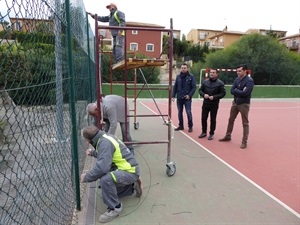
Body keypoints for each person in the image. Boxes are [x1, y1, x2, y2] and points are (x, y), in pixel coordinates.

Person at [80, 125, 142, 223]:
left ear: (89, 140)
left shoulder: (104, 143)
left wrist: (86, 177)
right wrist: (92, 153)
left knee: (105, 179)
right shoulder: (104, 137)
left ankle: (115, 207)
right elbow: (105, 153)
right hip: (128, 169)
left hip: (129, 172)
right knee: (107, 184)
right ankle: (131, 186)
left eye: (87, 140)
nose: (86, 142)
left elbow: (102, 168)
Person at [219, 64, 254, 149]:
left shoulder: (249, 81)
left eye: (240, 71)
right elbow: (231, 90)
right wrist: (239, 91)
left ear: (245, 71)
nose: (238, 73)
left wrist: (236, 90)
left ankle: (244, 142)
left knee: (245, 123)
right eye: (237, 71)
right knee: (231, 120)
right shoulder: (237, 79)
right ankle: (228, 135)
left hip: (244, 104)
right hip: (235, 103)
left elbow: (245, 93)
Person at [198, 68, 226, 140]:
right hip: (205, 103)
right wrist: (204, 95)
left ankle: (211, 133)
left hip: (214, 104)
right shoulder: (205, 82)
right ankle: (204, 132)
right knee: (204, 118)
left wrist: (214, 97)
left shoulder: (220, 83)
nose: (212, 74)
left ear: (217, 74)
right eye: (211, 72)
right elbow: (200, 90)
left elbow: (223, 93)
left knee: (213, 119)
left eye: (213, 72)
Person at [172, 63, 197, 132]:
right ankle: (181, 125)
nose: (183, 69)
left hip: (187, 98)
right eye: (182, 68)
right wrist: (173, 96)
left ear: (187, 68)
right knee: (180, 112)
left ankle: (190, 126)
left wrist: (189, 95)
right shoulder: (178, 77)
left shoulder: (191, 76)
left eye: (185, 68)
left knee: (188, 112)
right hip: (179, 98)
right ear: (181, 68)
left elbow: (194, 87)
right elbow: (175, 87)